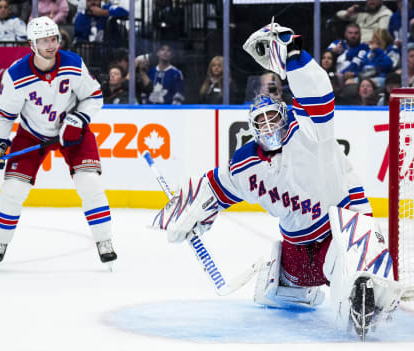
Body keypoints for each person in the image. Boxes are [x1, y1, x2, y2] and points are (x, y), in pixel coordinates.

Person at [152, 23, 401, 339]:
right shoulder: (246, 164)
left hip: (335, 237)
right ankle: (299, 288)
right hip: (295, 254)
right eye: (261, 121)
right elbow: (213, 188)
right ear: (252, 129)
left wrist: (294, 55)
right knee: (276, 292)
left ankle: (362, 293)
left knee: (360, 270)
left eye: (273, 117)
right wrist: (184, 215)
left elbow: (318, 92)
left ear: (285, 117)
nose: (269, 125)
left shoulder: (309, 132)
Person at [0, 16, 117, 267]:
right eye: (44, 40)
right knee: (12, 190)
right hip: (32, 133)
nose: (51, 44)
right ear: (32, 44)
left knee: (90, 183)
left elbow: (94, 97)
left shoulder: (73, 64)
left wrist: (78, 119)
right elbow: (4, 114)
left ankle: (104, 241)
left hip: (73, 132)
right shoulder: (16, 74)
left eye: (54, 38)